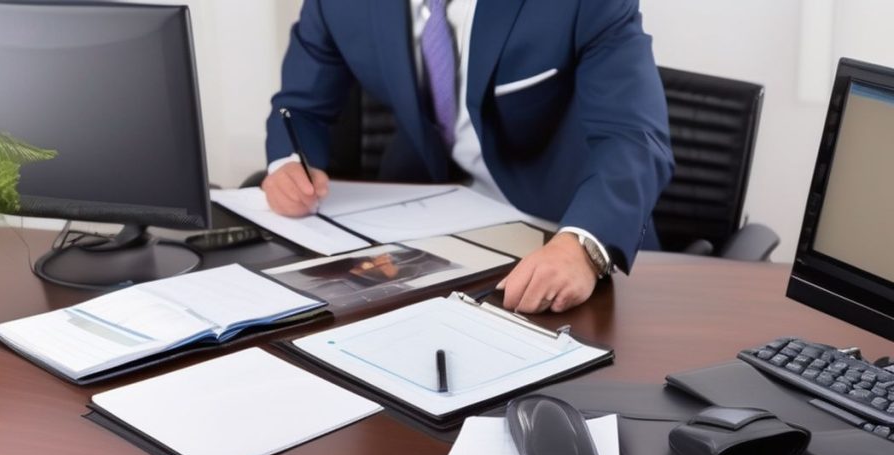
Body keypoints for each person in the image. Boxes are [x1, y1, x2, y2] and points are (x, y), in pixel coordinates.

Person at [262, 0, 674, 313]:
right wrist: (287, 164)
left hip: (559, 227)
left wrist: (584, 245)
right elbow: (300, 105)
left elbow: (634, 137)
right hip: (428, 225)